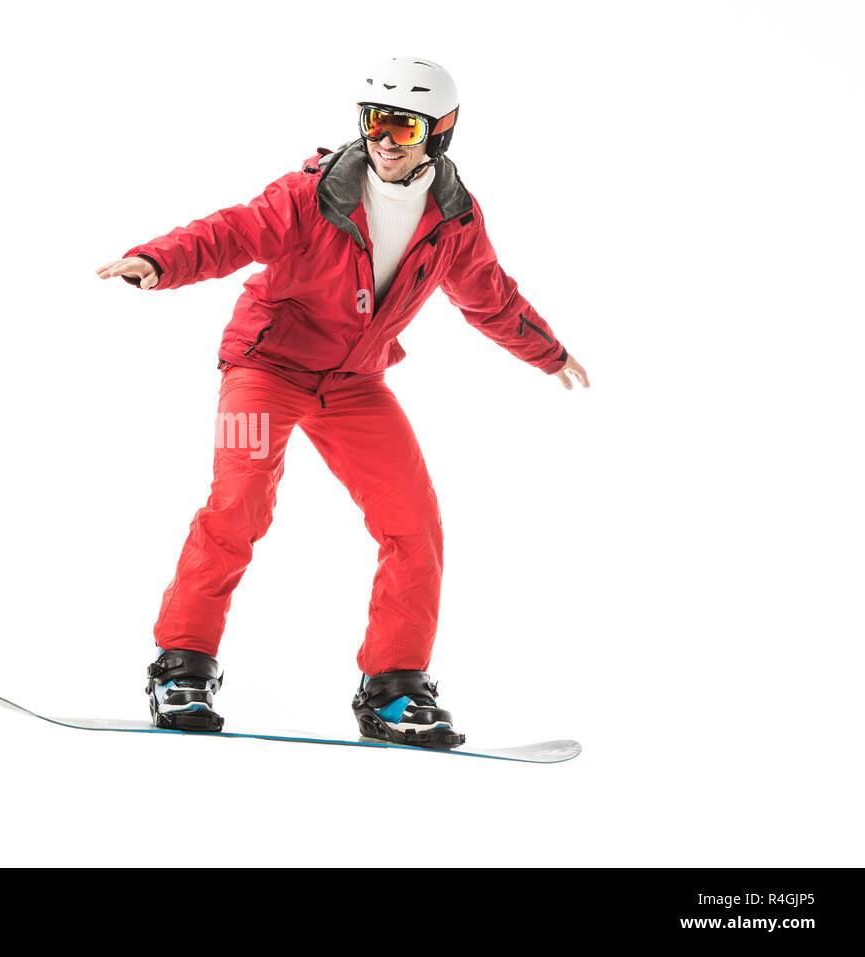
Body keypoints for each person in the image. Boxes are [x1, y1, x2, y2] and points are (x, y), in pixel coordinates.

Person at [96, 56, 589, 749]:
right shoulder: (313, 193)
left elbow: (489, 293)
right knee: (238, 505)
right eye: (375, 121)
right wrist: (158, 260)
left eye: (405, 125)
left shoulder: (453, 217)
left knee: (414, 525)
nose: (386, 139)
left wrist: (548, 350)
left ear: (440, 133)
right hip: (264, 367)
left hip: (354, 384)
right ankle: (182, 667)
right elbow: (233, 231)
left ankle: (393, 690)